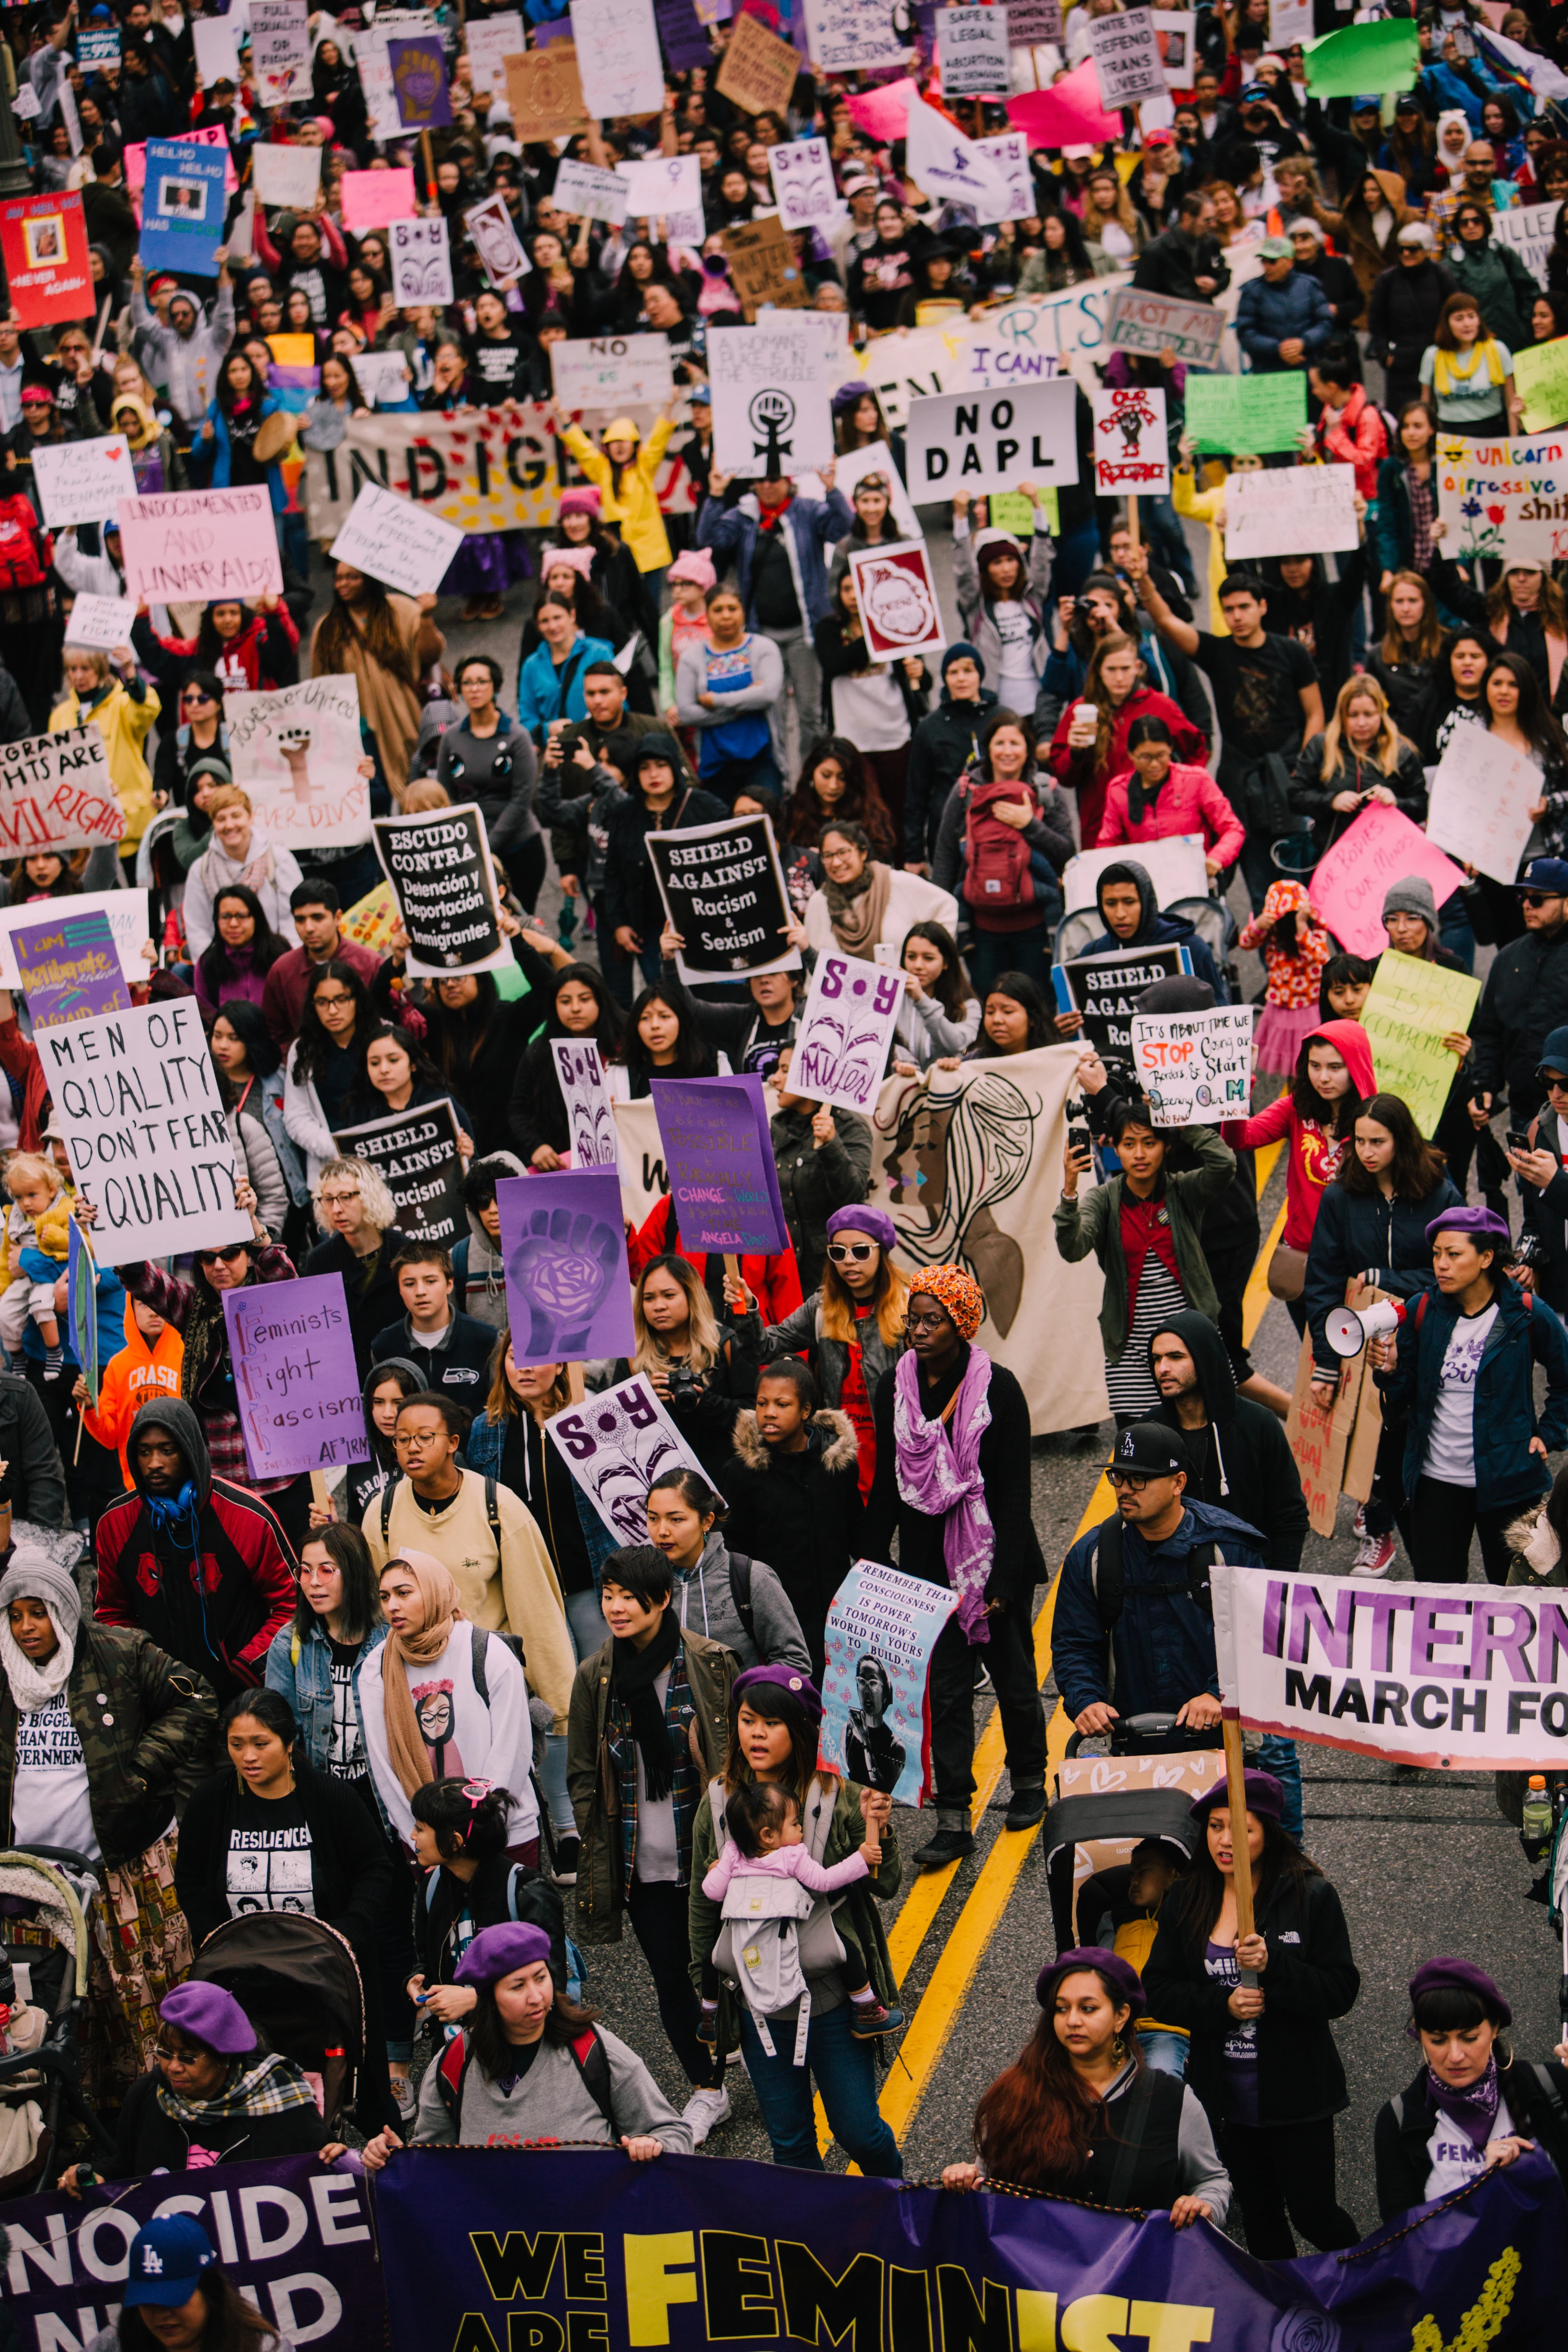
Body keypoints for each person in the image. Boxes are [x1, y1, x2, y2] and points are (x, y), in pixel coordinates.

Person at [0, 1548, 215, 2099]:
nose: (27, 1627)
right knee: (54, 2008)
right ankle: (69, 2121)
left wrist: (140, 1771)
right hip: (31, 1883)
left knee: (143, 1999)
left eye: (39, 1611)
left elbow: (196, 1697)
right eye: (16, 1613)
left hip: (123, 1866)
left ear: (65, 1609)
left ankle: (158, 2113)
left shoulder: (119, 1652)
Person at [689, 1664, 903, 2174]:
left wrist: (881, 1831)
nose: (757, 1733)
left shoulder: (837, 1794)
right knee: (790, 2147)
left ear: (802, 1729)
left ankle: (899, 2213)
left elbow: (886, 1883)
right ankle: (818, 2240)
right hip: (759, 2005)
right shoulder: (718, 1804)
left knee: (859, 2131)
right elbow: (703, 1910)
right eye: (747, 1720)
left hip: (831, 2000)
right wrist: (707, 1991)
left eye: (772, 1722)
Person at [863, 1265, 1046, 1865]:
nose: (917, 1330)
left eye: (931, 1320)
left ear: (961, 1324)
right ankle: (953, 1819)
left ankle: (1028, 1785)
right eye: (912, 1319)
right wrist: (871, 1555)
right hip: (926, 1567)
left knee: (1015, 1683)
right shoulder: (896, 1384)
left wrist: (1002, 1579)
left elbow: (1014, 1494)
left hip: (992, 1557)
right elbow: (891, 1480)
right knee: (943, 1695)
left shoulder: (1001, 1390)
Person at [1143, 1771, 1361, 2258]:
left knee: (1312, 2211)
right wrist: (1221, 2007)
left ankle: (1369, 2291)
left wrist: (1276, 1968)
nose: (1226, 1841)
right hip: (1226, 2099)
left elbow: (1340, 1991)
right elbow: (1158, 1990)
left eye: (1242, 1830)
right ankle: (1283, 2315)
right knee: (1261, 2218)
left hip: (1298, 2093)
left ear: (1269, 1833)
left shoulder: (1310, 1895)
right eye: (1217, 1826)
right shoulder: (1187, 1897)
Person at [566, 1544, 736, 2144]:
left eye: (627, 1597)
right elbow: (584, 1773)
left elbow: (738, 1758)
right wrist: (597, 1847)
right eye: (607, 1595)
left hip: (712, 1854)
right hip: (642, 1862)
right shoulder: (596, 1678)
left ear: (662, 1600)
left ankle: (759, 2061)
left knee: (735, 1967)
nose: (613, 1608)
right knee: (670, 1977)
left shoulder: (710, 1664)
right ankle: (707, 2088)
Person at [175, 1688, 395, 2121]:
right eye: (237, 1746)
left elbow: (376, 1869)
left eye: (261, 1744)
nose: (248, 1757)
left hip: (328, 1970)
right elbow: (190, 1879)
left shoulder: (330, 1797)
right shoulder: (211, 1800)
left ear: (290, 1743)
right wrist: (213, 1939)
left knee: (361, 2091)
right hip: (243, 1973)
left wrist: (347, 1932)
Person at [360, 1919, 692, 2164]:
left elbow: (675, 2134)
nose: (537, 1997)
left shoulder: (594, 2051)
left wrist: (653, 2145)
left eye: (541, 1978)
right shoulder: (452, 2066)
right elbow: (433, 2164)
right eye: (518, 1986)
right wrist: (395, 2159)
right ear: (489, 2000)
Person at [939, 1949, 1230, 2221]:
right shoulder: (1016, 2095)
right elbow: (988, 2179)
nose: (1073, 2020)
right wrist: (966, 2180)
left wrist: (1204, 2206)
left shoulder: (1173, 2100)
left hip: (1134, 2273)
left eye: (1088, 2009)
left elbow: (1211, 2181)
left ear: (1121, 2016)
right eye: (1062, 2009)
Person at [103, 1176, 313, 1552]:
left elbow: (287, 1279)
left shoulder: (276, 1303)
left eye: (230, 1254)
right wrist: (109, 1228)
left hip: (283, 1480)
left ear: (248, 1256)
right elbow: (144, 1279)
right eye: (207, 1257)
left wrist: (254, 1226)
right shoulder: (193, 1308)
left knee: (298, 1579)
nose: (218, 1265)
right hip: (222, 1481)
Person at [1305, 1093, 1465, 1576]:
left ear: (1403, 1141)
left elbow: (1461, 1268)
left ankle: (1435, 1558)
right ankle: (1379, 1532)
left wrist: (1389, 1280)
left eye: (1379, 1142)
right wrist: (1326, 1364)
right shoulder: (1339, 1197)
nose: (1368, 1152)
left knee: (1419, 1445)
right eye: (1360, 1142)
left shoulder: (1439, 1191)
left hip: (1427, 1337)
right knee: (1366, 1450)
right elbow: (1323, 1282)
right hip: (1360, 1344)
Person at [1371, 1205, 1568, 1586]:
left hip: (1511, 1481)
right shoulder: (1422, 1309)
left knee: (1513, 1597)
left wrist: (1550, 1433)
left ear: (1486, 1257)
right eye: (1436, 1254)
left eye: (1453, 1254)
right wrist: (1391, 1370)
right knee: (1438, 1598)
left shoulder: (1526, 1313)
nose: (1440, 1264)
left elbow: (1565, 1378)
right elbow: (1404, 1397)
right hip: (1435, 1483)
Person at [362, 1389, 575, 1731]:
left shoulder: (498, 1507)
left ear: (453, 1443)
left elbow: (537, 1613)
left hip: (489, 1681)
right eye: (403, 1440)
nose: (413, 1448)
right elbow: (376, 1613)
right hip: (420, 1690)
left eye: (425, 1437)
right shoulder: (381, 1514)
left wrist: (560, 1707)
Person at [1131, 553, 1325, 913]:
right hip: (1241, 780)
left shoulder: (1292, 652)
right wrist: (1144, 580)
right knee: (1259, 890)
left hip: (1290, 778)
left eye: (1244, 607)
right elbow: (1165, 620)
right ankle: (1271, 963)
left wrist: (1305, 766)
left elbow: (1315, 714)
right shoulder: (1217, 651)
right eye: (1229, 609)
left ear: (1262, 607)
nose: (1236, 616)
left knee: (1301, 893)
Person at [1056, 1093, 1236, 1423]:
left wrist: (1181, 1124)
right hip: (1131, 1347)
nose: (1139, 1154)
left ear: (1166, 1146)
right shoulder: (1104, 1199)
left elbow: (1224, 1164)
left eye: (1150, 1142)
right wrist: (1070, 1190)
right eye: (1128, 1144)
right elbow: (1073, 1248)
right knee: (1141, 1441)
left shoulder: (1183, 1190)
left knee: (1208, 1430)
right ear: (1115, 1149)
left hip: (1192, 1339)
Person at [358, 1550, 541, 1861]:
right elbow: (384, 1764)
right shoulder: (377, 1669)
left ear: (434, 1591)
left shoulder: (486, 1651)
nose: (392, 1606)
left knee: (508, 1909)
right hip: (426, 1840)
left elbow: (513, 1748)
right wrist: (423, 1835)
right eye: (385, 1596)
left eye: (404, 1593)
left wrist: (477, 1827)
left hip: (501, 1830)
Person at [57, 1982, 330, 2188]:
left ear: (224, 2057)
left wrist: (337, 2157)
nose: (172, 2067)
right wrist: (93, 2173)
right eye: (164, 2053)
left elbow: (322, 2166)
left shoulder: (283, 2102)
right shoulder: (148, 2094)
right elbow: (126, 2165)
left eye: (188, 2058)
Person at [728, 1203, 906, 1503]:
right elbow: (764, 1348)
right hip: (841, 1453)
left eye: (861, 1251)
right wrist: (747, 1308)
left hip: (895, 1452)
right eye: (838, 1252)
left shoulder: (909, 1307)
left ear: (882, 1252)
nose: (849, 1261)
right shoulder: (823, 1306)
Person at [1374, 1958, 1568, 2219]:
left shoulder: (1550, 2086)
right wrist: (1480, 2187)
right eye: (1438, 2040)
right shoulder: (1399, 2119)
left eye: (1469, 2038)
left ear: (1495, 2028)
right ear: (1421, 2037)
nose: (1455, 2056)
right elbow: (1401, 2239)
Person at [1220, 1020, 1377, 1327]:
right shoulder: (1296, 1109)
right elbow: (1238, 1140)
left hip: (1358, 1267)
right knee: (1313, 1360)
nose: (1323, 1077)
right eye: (1314, 1066)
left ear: (1356, 1067)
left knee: (1354, 1364)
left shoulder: (1377, 1118)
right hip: (1303, 1263)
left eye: (1335, 1067)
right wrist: (1239, 1083)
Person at [718, 1363, 862, 1686]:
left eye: (782, 1405)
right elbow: (734, 1550)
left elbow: (858, 1535)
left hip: (836, 1615)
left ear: (806, 1411)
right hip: (778, 1618)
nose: (769, 1413)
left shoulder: (835, 1466)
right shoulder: (741, 1472)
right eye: (761, 1403)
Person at [1148, 1316, 1309, 1573]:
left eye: (1176, 1357)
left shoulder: (1259, 1425)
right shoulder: (1150, 1431)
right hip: (1176, 1586)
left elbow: (1290, 1515)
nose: (1162, 1368)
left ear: (1205, 1360)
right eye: (1157, 1359)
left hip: (1251, 1578)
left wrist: (1279, 1583)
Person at [406, 1777, 569, 2018]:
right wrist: (417, 1980)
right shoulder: (432, 1885)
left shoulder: (528, 1891)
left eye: (420, 1828)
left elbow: (552, 1985)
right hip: (457, 2041)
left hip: (515, 2041)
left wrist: (476, 2000)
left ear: (454, 1842)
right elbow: (426, 1959)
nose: (412, 1836)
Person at [642, 1463, 810, 1675]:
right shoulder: (643, 1583)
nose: (662, 1531)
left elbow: (794, 1661)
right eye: (653, 1518)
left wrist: (752, 1701)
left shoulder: (751, 1578)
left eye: (676, 1519)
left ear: (707, 1521)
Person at [310, 565, 443, 799]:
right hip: (359, 726)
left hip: (405, 715)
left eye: (352, 578)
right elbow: (320, 686)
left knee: (416, 780)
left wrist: (426, 618)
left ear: (369, 580)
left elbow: (431, 655)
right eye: (338, 578)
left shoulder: (402, 610)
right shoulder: (327, 628)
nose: (343, 584)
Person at [79, 2213, 296, 2352]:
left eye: (174, 2300)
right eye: (148, 2302)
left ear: (210, 2291)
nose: (162, 2314)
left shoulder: (265, 2348)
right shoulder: (114, 2344)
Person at [765, 1045, 874, 1295]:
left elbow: (853, 1196)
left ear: (812, 1073)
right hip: (782, 1271)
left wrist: (831, 1145)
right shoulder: (776, 1128)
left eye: (784, 1070)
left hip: (830, 1275)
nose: (774, 1079)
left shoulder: (849, 1127)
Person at [1471, 858, 1568, 1137]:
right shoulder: (1508, 958)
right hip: (1524, 1110)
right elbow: (1489, 1032)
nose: (1526, 906)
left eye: (1537, 899)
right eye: (1522, 898)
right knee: (1528, 1181)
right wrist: (1486, 1084)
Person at [1288, 674, 1427, 860]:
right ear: (1342, 716)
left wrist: (1396, 803)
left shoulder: (1402, 752)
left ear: (1381, 714)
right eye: (1353, 715)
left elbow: (1422, 806)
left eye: (1369, 715)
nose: (1362, 723)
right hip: (1331, 856)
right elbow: (1295, 796)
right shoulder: (1321, 746)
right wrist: (1331, 801)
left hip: (1386, 858)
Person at [1095, 715, 1245, 877]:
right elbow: (1108, 844)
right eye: (1146, 757)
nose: (1154, 765)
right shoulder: (1118, 790)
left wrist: (1217, 858)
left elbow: (1233, 829)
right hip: (1144, 882)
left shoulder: (1197, 780)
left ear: (1171, 749)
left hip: (1195, 876)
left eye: (1161, 755)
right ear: (1131, 754)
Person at [304, 1158, 412, 1377]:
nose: (336, 1209)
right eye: (328, 1199)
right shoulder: (319, 1260)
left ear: (370, 1196)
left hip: (402, 1377)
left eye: (346, 1197)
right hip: (345, 1382)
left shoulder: (406, 1250)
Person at [181, 787, 304, 967]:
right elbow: (197, 928)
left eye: (236, 816)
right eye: (221, 819)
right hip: (225, 968)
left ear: (250, 817)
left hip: (274, 963)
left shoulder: (278, 859)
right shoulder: (201, 870)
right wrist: (213, 969)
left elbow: (293, 917)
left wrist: (287, 965)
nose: (230, 825)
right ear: (213, 823)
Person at [262, 880, 387, 1056]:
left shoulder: (370, 964)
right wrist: (296, 1062)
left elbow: (389, 1023)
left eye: (318, 918)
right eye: (300, 920)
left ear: (337, 918)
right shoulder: (282, 971)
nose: (309, 928)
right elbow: (274, 1032)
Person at [905, 643, 998, 871]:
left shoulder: (1002, 718)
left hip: (997, 826)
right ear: (945, 678)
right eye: (953, 672)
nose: (961, 679)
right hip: (947, 833)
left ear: (980, 675)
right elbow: (916, 795)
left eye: (968, 671)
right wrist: (914, 854)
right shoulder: (930, 728)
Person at [75, 1294, 183, 1488]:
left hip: (187, 1483)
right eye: (143, 1304)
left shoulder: (189, 1356)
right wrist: (91, 1407)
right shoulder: (118, 1366)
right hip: (137, 1486)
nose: (153, 1311)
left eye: (159, 1302)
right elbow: (110, 1438)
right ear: (131, 1309)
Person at [368, 1242, 497, 1393]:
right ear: (400, 1290)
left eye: (430, 1281)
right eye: (410, 1284)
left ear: (449, 1285)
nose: (420, 1291)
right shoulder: (384, 1347)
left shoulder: (488, 1340)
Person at [1420, 291, 1519, 438]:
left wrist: (1514, 442)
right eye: (1459, 319)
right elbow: (1426, 404)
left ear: (1479, 320)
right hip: (1449, 433)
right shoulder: (1432, 355)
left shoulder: (1498, 350)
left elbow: (1512, 402)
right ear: (1447, 323)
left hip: (1492, 431)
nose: (1467, 324)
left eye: (1471, 317)